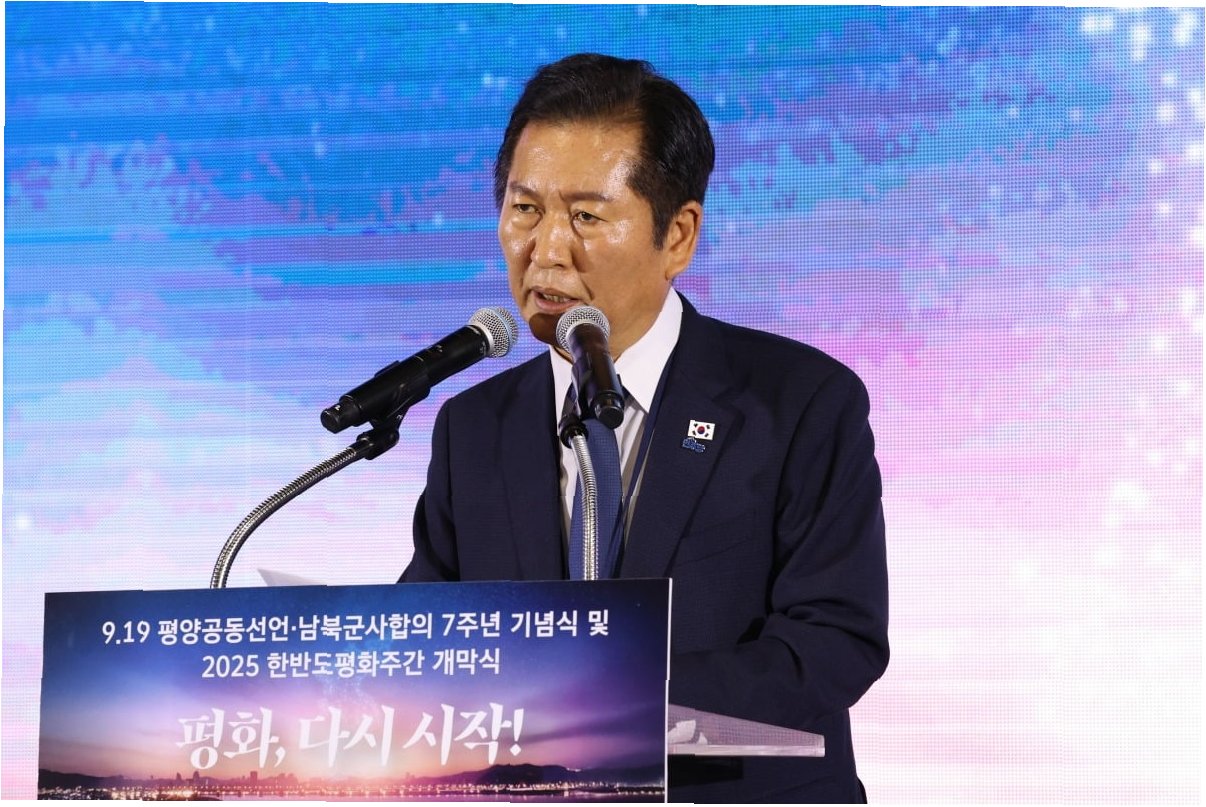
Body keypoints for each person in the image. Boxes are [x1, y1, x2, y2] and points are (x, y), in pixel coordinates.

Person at [402, 53, 888, 803]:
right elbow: (428, 643)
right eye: (525, 209)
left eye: (586, 216)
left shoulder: (798, 403)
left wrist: (609, 706)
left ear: (678, 236)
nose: (547, 249)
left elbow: (832, 642)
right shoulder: (473, 427)